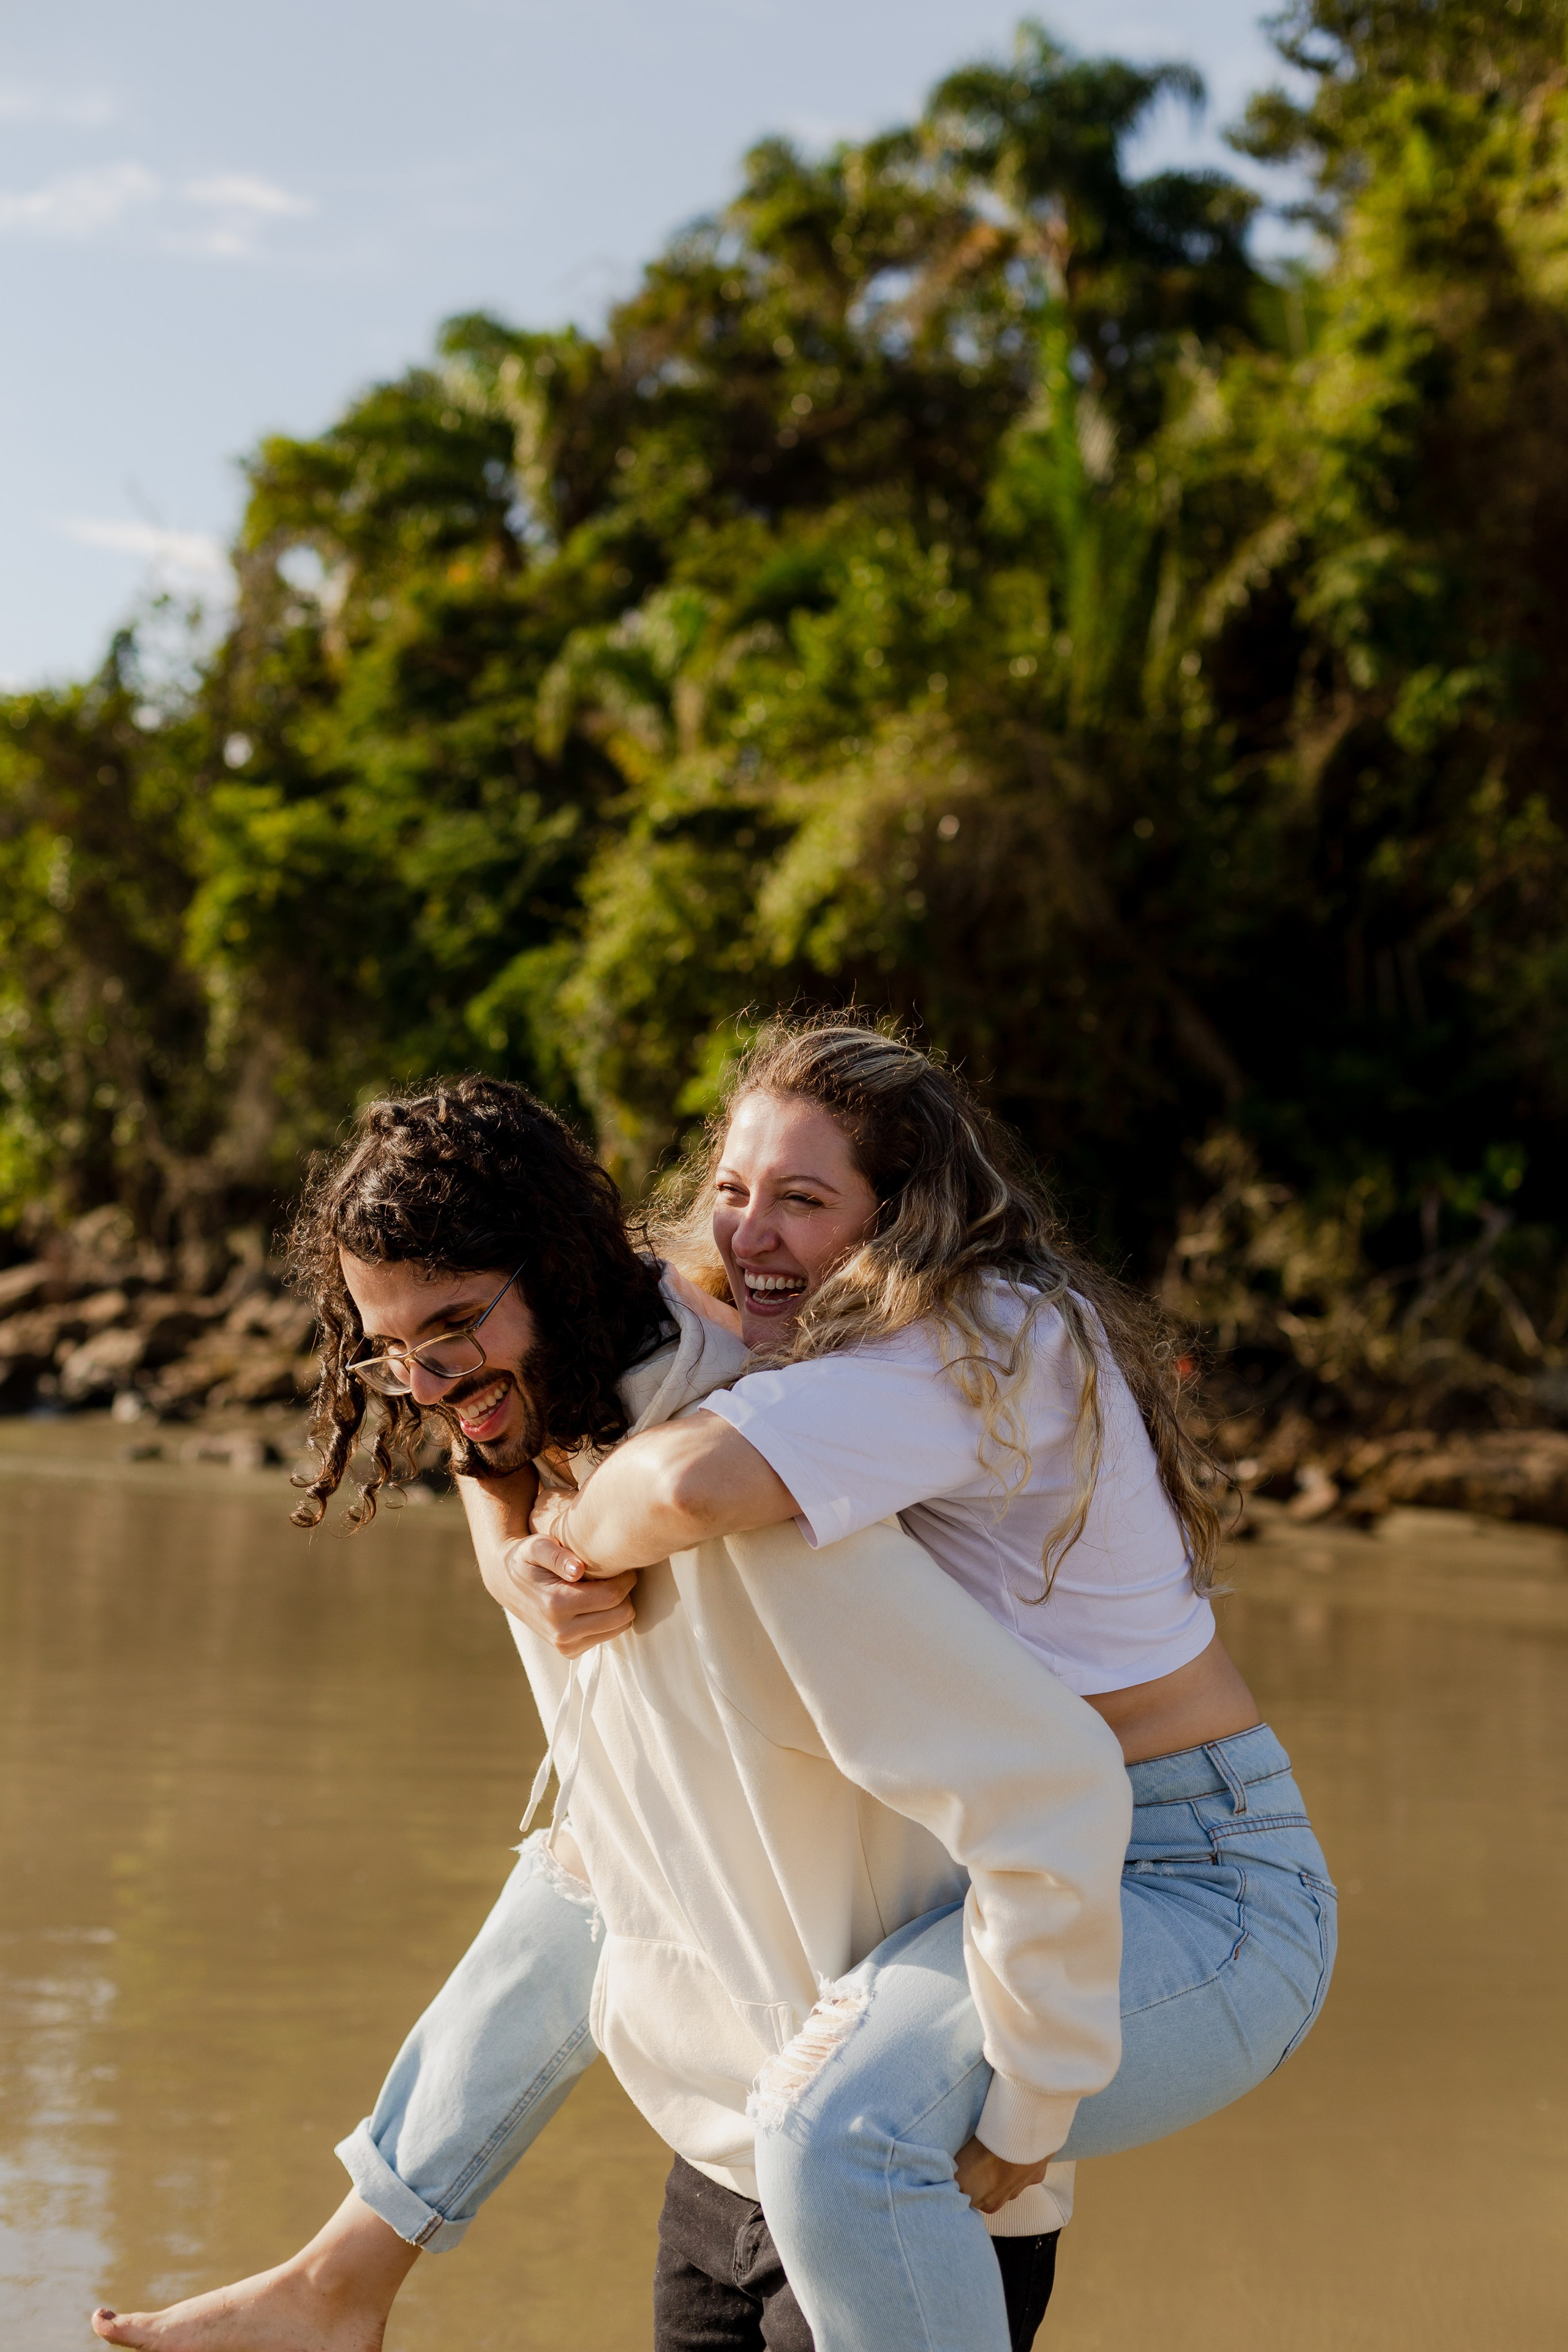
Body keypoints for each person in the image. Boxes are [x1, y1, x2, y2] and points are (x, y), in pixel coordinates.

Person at [92, 1065, 1133, 2352]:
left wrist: (1030, 2114)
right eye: (392, 1344)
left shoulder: (745, 1494)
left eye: (455, 1325)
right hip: (718, 2162)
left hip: (890, 2185)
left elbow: (1055, 1789)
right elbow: (604, 1857)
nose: (423, 1382)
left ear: (559, 1276)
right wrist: (500, 1534)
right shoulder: (549, 1447)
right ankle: (335, 2284)